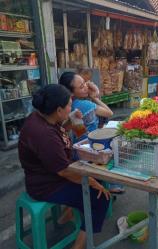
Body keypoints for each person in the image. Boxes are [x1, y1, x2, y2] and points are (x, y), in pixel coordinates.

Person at [18, 84, 110, 249]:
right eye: (69, 104)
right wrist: (91, 182)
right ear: (59, 110)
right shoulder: (44, 135)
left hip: (50, 175)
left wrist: (70, 121)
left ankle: (64, 217)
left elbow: (62, 133)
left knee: (96, 178)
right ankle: (78, 246)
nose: (72, 106)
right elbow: (65, 172)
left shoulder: (42, 117)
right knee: (100, 197)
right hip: (47, 185)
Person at [59, 72, 125, 194]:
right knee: (118, 149)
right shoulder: (84, 104)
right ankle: (112, 183)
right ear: (71, 93)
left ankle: (103, 181)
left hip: (78, 148)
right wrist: (95, 97)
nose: (86, 87)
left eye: (85, 83)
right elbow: (109, 113)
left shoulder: (69, 105)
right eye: (81, 86)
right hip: (90, 149)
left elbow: (79, 130)